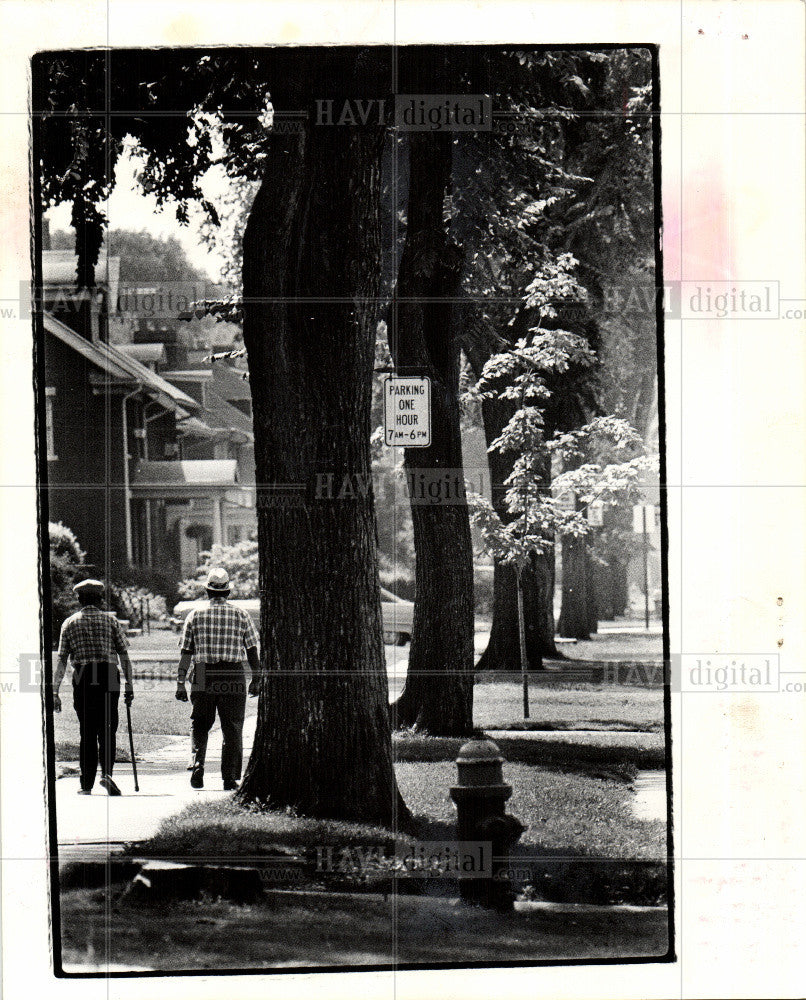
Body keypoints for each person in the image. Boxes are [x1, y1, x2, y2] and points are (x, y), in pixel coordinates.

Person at [175, 567, 260, 790]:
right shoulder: (241, 615)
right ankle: (229, 777)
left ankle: (197, 765)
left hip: (202, 672)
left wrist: (180, 683)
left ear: (207, 591)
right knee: (232, 725)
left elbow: (186, 652)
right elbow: (252, 649)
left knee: (200, 723)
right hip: (232, 672)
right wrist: (257, 678)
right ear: (228, 592)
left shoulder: (195, 615)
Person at [52, 579, 134, 795]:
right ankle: (107, 774)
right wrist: (130, 685)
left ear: (79, 599)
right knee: (108, 728)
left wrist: (55, 691)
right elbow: (124, 655)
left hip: (83, 676)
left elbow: (61, 660)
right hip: (108, 675)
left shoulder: (69, 623)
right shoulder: (111, 622)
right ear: (99, 599)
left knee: (87, 731)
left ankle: (86, 784)